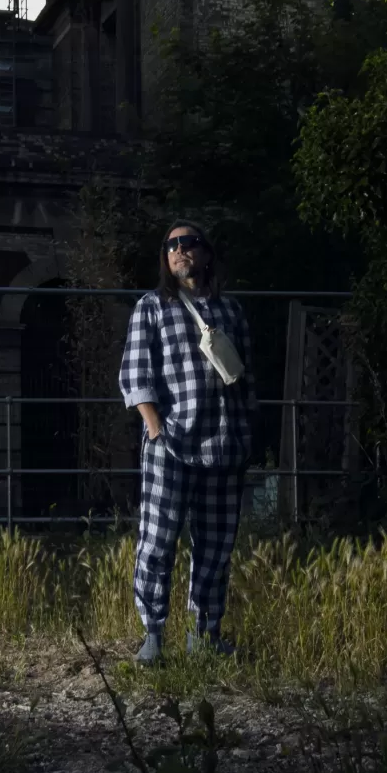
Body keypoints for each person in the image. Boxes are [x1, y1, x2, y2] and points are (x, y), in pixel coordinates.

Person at [118, 221, 258, 665]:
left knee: (216, 546)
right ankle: (153, 636)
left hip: (224, 446)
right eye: (171, 246)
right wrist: (155, 428)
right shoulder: (152, 308)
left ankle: (205, 635)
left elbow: (245, 379)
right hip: (172, 447)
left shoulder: (231, 311)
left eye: (188, 243)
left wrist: (246, 434)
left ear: (206, 254)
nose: (179, 251)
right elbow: (135, 376)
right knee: (157, 542)